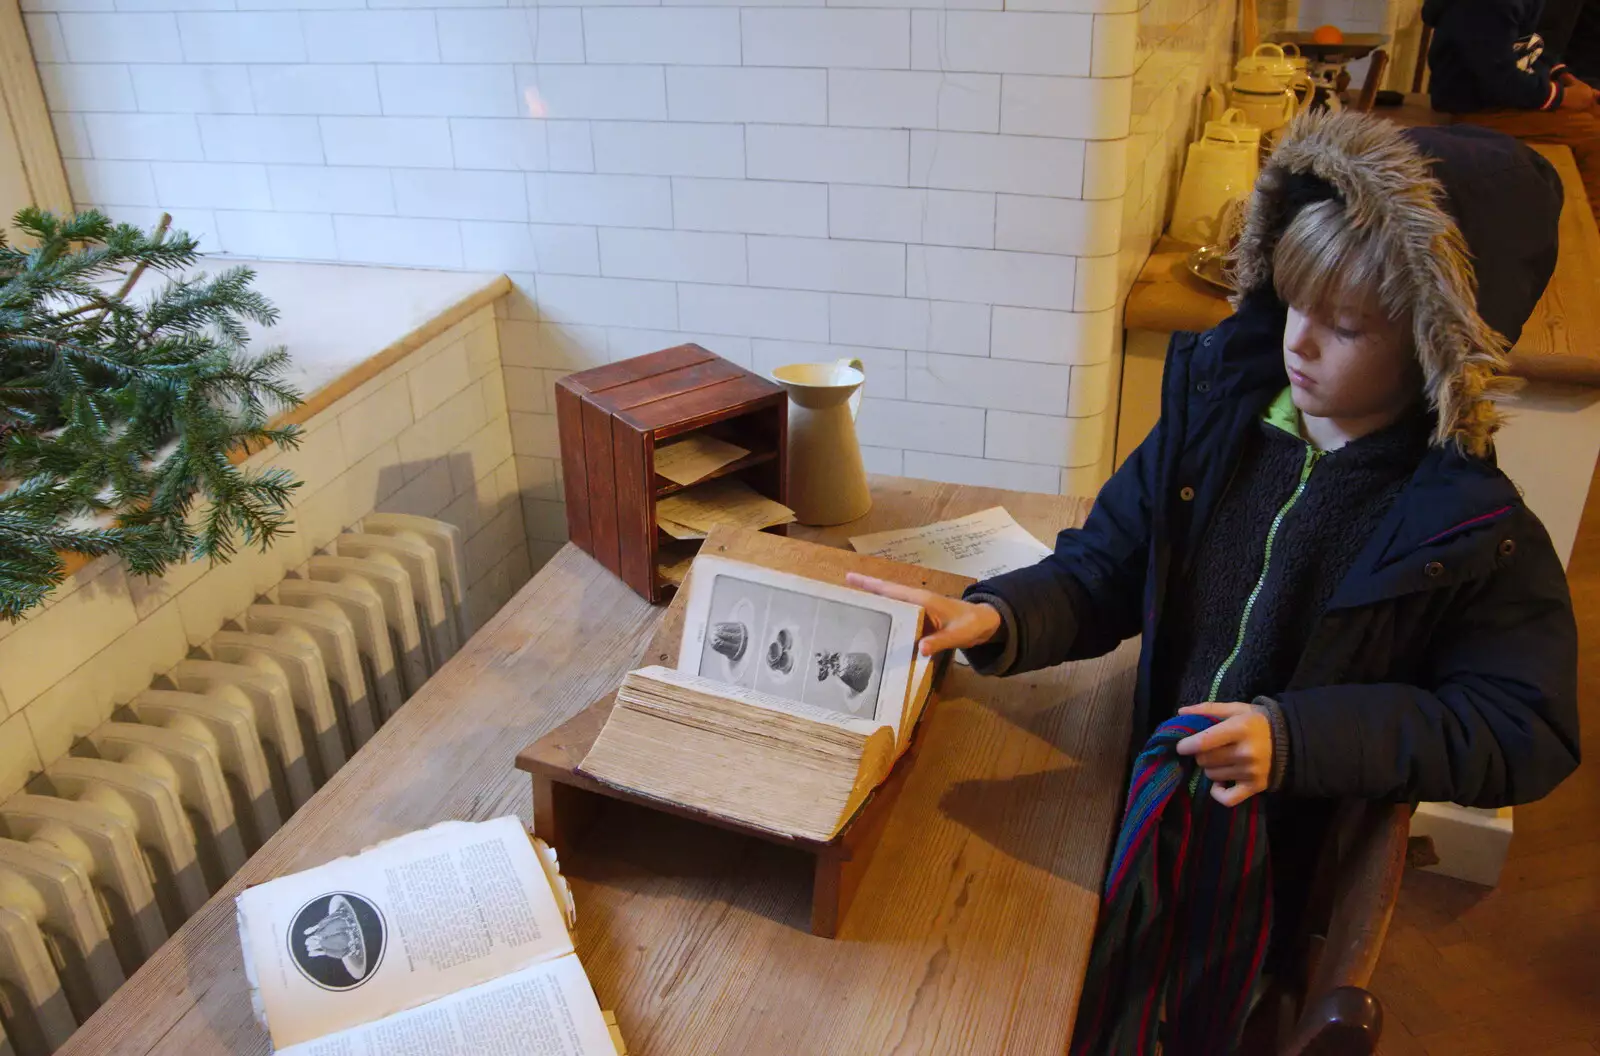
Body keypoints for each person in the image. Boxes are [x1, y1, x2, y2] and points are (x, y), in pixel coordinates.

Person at [850, 110, 1581, 1036]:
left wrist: (1299, 737)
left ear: (1437, 342)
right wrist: (998, 616)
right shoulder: (1219, 421)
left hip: (1269, 864)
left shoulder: (1469, 529)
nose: (1299, 344)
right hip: (1140, 799)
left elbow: (1525, 729)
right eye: (1293, 303)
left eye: (1346, 326)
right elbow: (1108, 563)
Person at [1423, 0, 1600, 224]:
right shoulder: (1488, 6)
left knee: (1593, 112)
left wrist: (1561, 77)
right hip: (1476, 107)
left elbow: (1529, 48)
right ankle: (1589, 236)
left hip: (1503, 99)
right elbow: (1499, 80)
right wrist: (1562, 97)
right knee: (1593, 136)